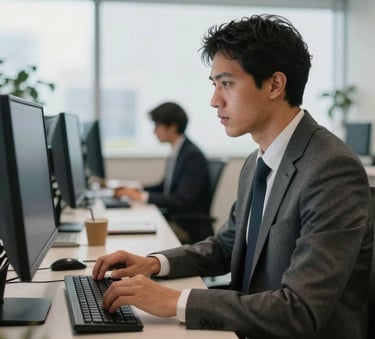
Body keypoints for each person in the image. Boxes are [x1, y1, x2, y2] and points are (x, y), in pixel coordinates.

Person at [93, 14, 373, 338]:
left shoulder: (331, 169)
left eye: (227, 83)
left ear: (275, 84)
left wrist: (176, 301)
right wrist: (154, 264)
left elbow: (300, 310)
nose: (215, 101)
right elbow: (227, 246)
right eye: (214, 85)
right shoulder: (256, 161)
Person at [115, 102, 212, 243]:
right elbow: (165, 186)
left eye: (157, 125)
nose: (154, 131)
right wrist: (138, 190)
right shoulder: (178, 150)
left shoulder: (192, 155)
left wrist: (141, 196)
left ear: (172, 127)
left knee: (140, 240)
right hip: (174, 219)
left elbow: (181, 200)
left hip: (186, 226)